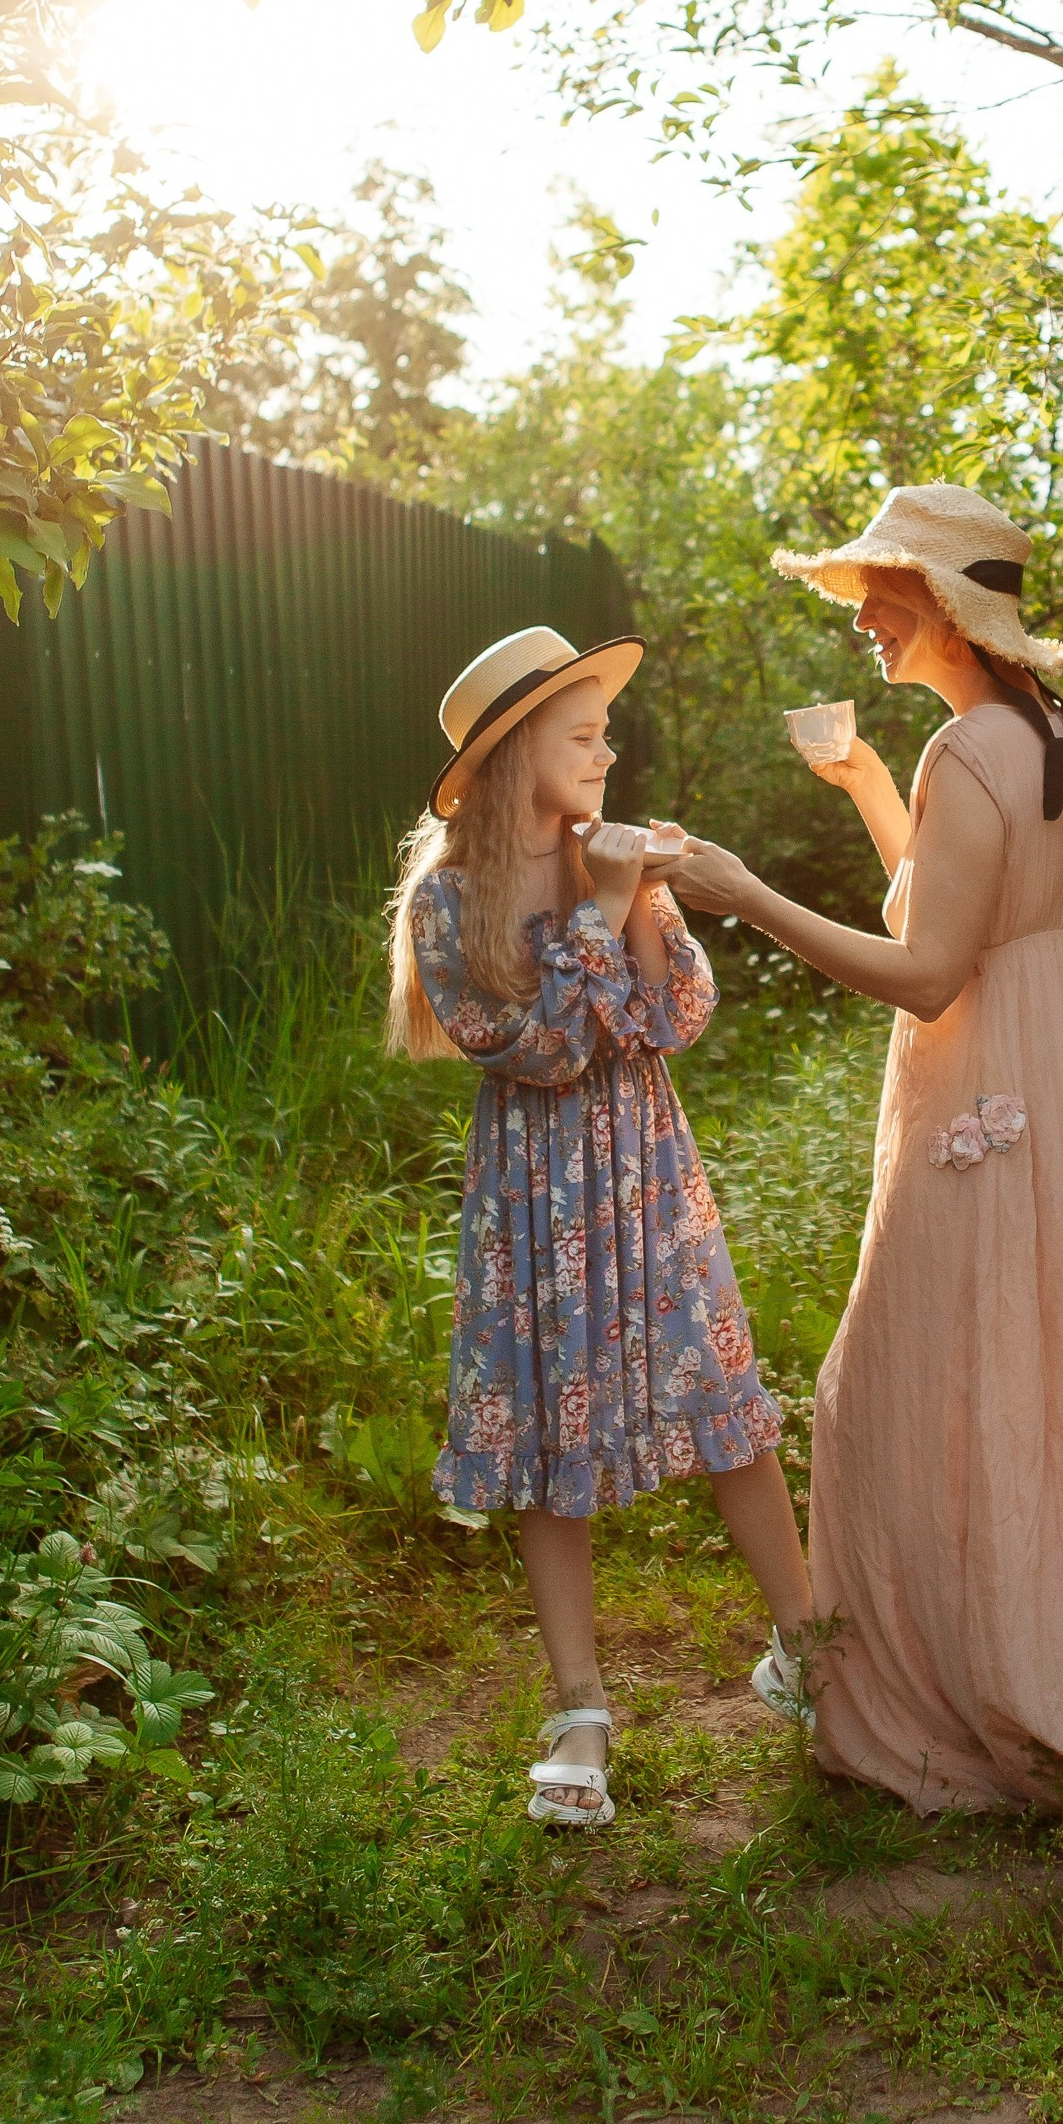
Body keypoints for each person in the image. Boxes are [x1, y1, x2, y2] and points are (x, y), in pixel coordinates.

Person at [668, 488, 1063, 1818]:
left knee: (900, 1384)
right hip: (1054, 1083)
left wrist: (746, 896)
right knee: (1031, 1375)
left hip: (986, 1095)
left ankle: (950, 1700)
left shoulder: (974, 750)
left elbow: (928, 975)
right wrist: (865, 788)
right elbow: (967, 908)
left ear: (948, 606)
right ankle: (1041, 1677)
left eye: (883, 597)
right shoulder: (1045, 734)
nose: (865, 625)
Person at [388, 623, 815, 1830]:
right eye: (583, 734)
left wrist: (636, 897)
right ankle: (579, 1706)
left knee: (724, 1398)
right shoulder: (448, 901)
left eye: (602, 730)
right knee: (541, 1429)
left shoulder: (610, 860)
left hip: (645, 1173)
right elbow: (540, 1047)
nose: (607, 749)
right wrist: (607, 903)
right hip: (533, 1198)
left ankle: (810, 1649)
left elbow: (676, 1014)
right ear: (519, 752)